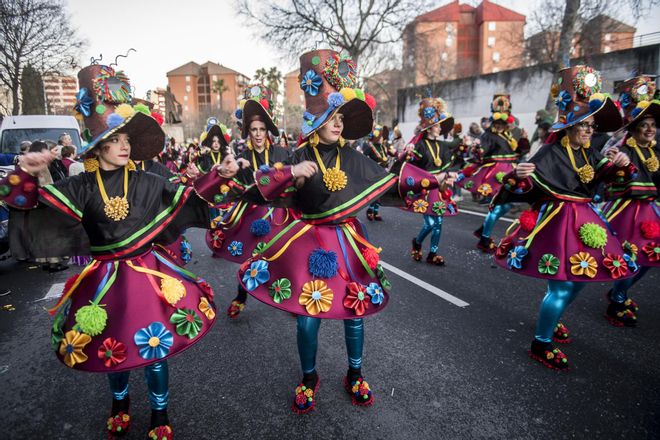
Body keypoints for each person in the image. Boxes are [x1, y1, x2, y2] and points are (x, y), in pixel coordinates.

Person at [194, 49, 453, 413]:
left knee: (355, 311)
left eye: (342, 116)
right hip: (308, 242)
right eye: (333, 114)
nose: (338, 122)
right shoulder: (297, 156)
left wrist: (432, 179)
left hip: (346, 242)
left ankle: (355, 372)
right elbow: (258, 190)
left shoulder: (356, 159)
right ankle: (310, 376)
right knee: (307, 317)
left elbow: (390, 183)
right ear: (316, 117)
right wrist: (287, 174)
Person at [0, 63, 217, 439]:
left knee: (154, 348)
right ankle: (120, 403)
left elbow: (192, 195)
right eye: (116, 139)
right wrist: (23, 171)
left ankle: (159, 413)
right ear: (98, 146)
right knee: (112, 344)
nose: (124, 146)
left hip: (147, 274)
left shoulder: (150, 180)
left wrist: (222, 176)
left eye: (126, 139)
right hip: (105, 279)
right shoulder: (81, 186)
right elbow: (23, 201)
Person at [491, 65, 635, 369]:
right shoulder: (548, 153)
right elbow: (524, 187)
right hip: (557, 224)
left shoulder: (592, 155)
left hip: (587, 219)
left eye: (592, 126)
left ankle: (551, 319)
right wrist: (518, 176)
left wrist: (621, 164)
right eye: (584, 125)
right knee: (560, 286)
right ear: (569, 126)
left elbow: (614, 186)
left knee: (581, 280)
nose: (589, 131)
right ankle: (541, 343)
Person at [206, 84, 293, 319]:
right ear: (247, 131)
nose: (257, 134)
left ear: (268, 131)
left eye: (261, 129)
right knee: (250, 259)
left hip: (281, 215)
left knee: (286, 258)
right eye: (253, 129)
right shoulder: (242, 158)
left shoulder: (283, 155)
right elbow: (234, 190)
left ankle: (292, 299)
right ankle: (241, 296)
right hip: (253, 216)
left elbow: (292, 183)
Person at [599, 75, 659, 326]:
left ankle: (618, 292)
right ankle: (618, 300)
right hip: (624, 210)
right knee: (630, 256)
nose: (649, 129)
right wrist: (615, 163)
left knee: (651, 257)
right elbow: (604, 170)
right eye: (644, 124)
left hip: (649, 209)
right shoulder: (620, 149)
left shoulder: (655, 151)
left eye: (653, 125)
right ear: (633, 128)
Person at [457, 94, 529, 252]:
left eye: (504, 123)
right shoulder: (488, 135)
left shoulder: (508, 135)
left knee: (507, 205)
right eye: (499, 123)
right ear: (494, 121)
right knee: (497, 207)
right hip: (495, 174)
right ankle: (484, 239)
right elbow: (482, 153)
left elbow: (520, 152)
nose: (501, 126)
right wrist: (476, 148)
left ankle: (483, 230)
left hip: (510, 172)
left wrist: (523, 139)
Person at [407, 97, 459, 265]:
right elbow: (410, 167)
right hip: (425, 188)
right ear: (429, 128)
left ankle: (432, 254)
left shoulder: (443, 147)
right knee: (429, 223)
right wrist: (409, 152)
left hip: (440, 188)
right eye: (437, 126)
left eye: (439, 126)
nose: (439, 128)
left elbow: (449, 165)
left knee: (438, 222)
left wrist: (451, 175)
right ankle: (417, 241)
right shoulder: (420, 145)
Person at [364, 124, 395, 221]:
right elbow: (363, 159)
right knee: (375, 193)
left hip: (384, 173)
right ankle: (370, 211)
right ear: (377, 136)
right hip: (374, 173)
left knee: (381, 194)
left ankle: (376, 211)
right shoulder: (370, 147)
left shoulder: (383, 147)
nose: (383, 138)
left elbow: (389, 156)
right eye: (381, 136)